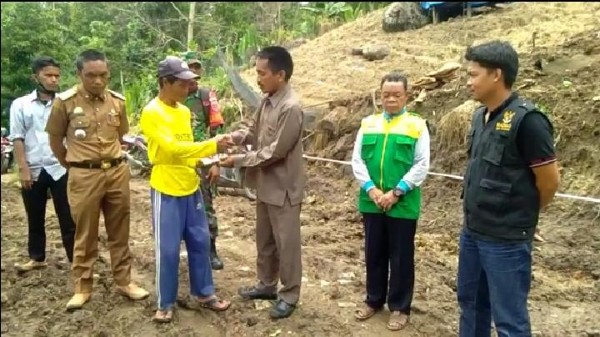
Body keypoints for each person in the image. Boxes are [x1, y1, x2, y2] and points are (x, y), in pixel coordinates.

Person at [457, 40, 560, 337]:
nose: (468, 81)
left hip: (506, 240)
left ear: (496, 75)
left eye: (473, 74)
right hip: (473, 232)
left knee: (509, 320)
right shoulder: (480, 117)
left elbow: (549, 181)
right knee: (471, 304)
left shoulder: (529, 121)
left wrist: (526, 215)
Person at [46, 49, 149, 310]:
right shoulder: (64, 102)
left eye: (103, 75)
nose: (98, 81)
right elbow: (56, 141)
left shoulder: (117, 101)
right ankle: (82, 287)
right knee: (85, 233)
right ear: (79, 73)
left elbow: (122, 135)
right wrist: (73, 165)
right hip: (84, 174)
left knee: (120, 231)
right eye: (91, 75)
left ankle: (125, 282)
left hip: (116, 172)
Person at [140, 56, 233, 323]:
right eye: (182, 84)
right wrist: (212, 146)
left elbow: (188, 149)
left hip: (190, 185)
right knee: (168, 249)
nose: (188, 89)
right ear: (165, 83)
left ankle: (204, 293)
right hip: (166, 187)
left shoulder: (183, 111)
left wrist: (207, 161)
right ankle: (165, 302)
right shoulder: (152, 112)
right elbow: (171, 149)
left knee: (201, 242)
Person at [219, 46, 305, 319]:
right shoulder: (267, 101)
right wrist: (237, 137)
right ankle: (267, 284)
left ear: (280, 75)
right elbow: (254, 131)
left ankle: (289, 294)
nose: (257, 78)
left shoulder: (290, 107)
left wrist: (239, 160)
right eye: (256, 72)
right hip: (266, 185)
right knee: (265, 240)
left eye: (262, 73)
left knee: (286, 244)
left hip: (284, 189)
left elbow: (276, 152)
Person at [350, 71, 430, 331]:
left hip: (402, 203)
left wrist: (396, 192)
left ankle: (400, 307)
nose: (391, 100)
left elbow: (421, 164)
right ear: (380, 96)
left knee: (401, 257)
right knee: (374, 253)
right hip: (371, 201)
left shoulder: (417, 125)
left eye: (397, 95)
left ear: (407, 96)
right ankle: (373, 300)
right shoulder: (368, 123)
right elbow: (357, 161)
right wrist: (372, 190)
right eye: (386, 95)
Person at [9, 56, 76, 271]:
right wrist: (23, 169)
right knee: (35, 216)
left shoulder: (66, 102)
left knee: (68, 217)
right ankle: (37, 258)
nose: (53, 79)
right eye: (48, 75)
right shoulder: (20, 105)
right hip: (34, 167)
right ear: (35, 76)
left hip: (60, 167)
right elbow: (17, 137)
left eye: (56, 75)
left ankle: (76, 261)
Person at [184, 57, 226, 270]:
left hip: (203, 161)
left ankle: (211, 250)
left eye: (196, 75)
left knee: (206, 206)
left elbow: (216, 131)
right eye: (189, 74)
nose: (193, 79)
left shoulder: (206, 96)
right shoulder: (173, 98)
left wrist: (215, 163)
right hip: (181, 162)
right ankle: (190, 251)